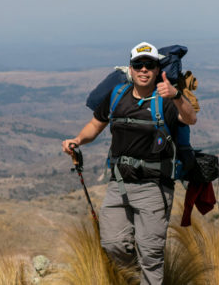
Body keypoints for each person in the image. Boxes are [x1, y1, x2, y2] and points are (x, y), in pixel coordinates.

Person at [62, 41, 197, 285]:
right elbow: (95, 125)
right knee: (112, 244)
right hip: (119, 185)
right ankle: (135, 279)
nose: (144, 70)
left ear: (158, 70)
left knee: (151, 253)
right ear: (131, 68)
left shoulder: (165, 99)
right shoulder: (117, 96)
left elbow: (190, 118)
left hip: (154, 188)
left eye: (149, 65)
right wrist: (78, 140)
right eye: (138, 65)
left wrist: (176, 95)